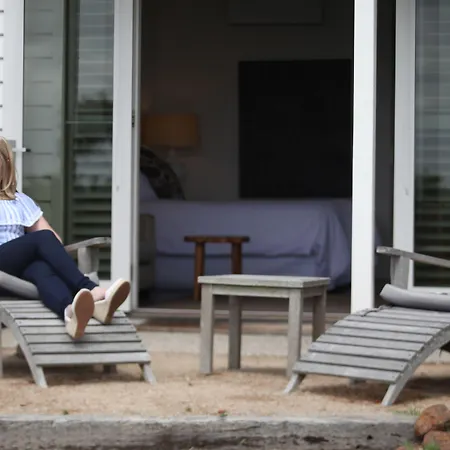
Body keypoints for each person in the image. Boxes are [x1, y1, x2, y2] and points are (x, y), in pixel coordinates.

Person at [0, 137, 130, 339]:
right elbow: (44, 239)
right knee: (42, 239)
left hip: (15, 271)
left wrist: (40, 253)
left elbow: (54, 241)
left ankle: (70, 313)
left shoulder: (20, 201)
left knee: (41, 269)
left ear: (5, 166)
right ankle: (89, 288)